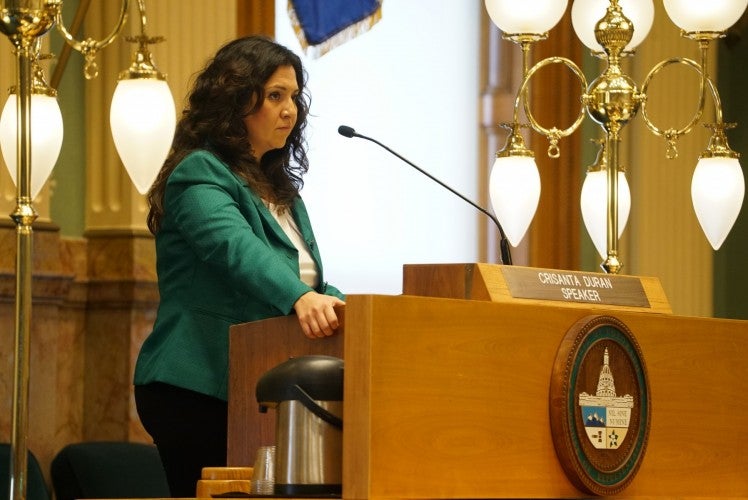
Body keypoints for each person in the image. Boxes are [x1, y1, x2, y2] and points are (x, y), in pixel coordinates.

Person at [133, 35, 345, 497]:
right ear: (236, 100)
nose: (290, 110)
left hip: (256, 384)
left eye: (294, 97)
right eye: (275, 96)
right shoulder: (199, 172)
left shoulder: (282, 193)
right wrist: (300, 297)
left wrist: (350, 308)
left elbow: (309, 278)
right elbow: (235, 250)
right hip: (195, 385)